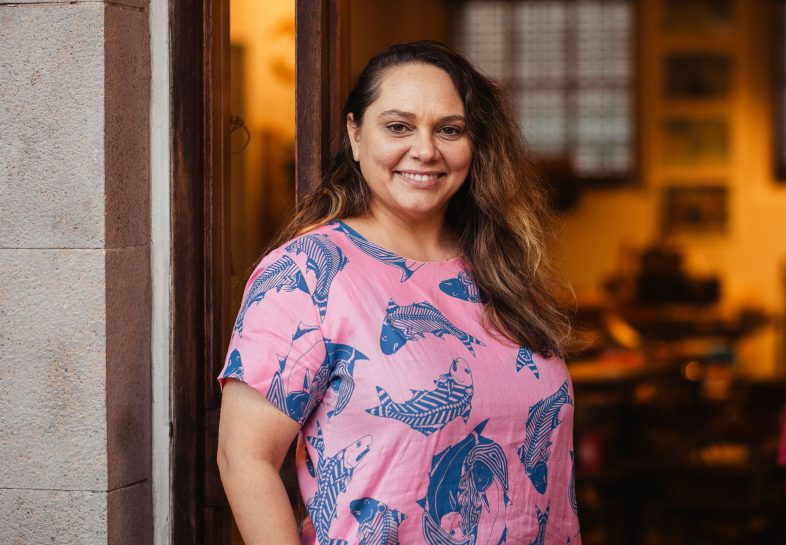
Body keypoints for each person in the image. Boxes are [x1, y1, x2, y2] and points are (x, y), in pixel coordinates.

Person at [217, 40, 581, 545]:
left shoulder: (500, 267)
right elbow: (244, 457)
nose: (426, 149)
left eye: (449, 130)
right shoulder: (306, 274)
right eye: (398, 126)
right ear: (356, 134)